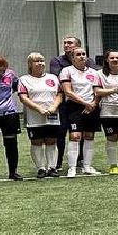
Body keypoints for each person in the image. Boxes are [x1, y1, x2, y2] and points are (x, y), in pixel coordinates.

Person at [58, 44, 102, 177]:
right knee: (75, 136)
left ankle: (87, 166)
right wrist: (85, 103)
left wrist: (93, 103)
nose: (82, 57)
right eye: (78, 54)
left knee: (89, 135)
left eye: (83, 54)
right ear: (72, 58)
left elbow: (98, 92)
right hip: (74, 107)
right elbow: (68, 91)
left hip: (92, 107)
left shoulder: (94, 73)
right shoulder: (66, 71)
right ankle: (72, 168)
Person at [17, 53, 61, 178]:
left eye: (42, 60)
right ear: (30, 64)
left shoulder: (53, 78)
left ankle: (52, 168)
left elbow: (59, 94)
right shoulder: (24, 79)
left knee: (51, 141)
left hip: (52, 115)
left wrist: (53, 107)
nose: (40, 63)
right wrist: (38, 108)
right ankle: (41, 168)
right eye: (37, 61)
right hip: (34, 116)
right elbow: (23, 98)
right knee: (37, 142)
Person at [48, 34, 80, 172]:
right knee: (60, 133)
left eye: (70, 43)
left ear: (77, 45)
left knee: (80, 132)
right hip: (62, 104)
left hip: (79, 102)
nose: (66, 45)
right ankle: (58, 162)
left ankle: (80, 160)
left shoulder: (87, 60)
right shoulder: (56, 61)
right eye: (65, 43)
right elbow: (59, 78)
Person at [0, 55, 23, 182]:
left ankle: (13, 172)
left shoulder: (10, 74)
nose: (0, 73)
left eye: (2, 70)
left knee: (11, 144)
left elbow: (16, 87)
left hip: (9, 114)